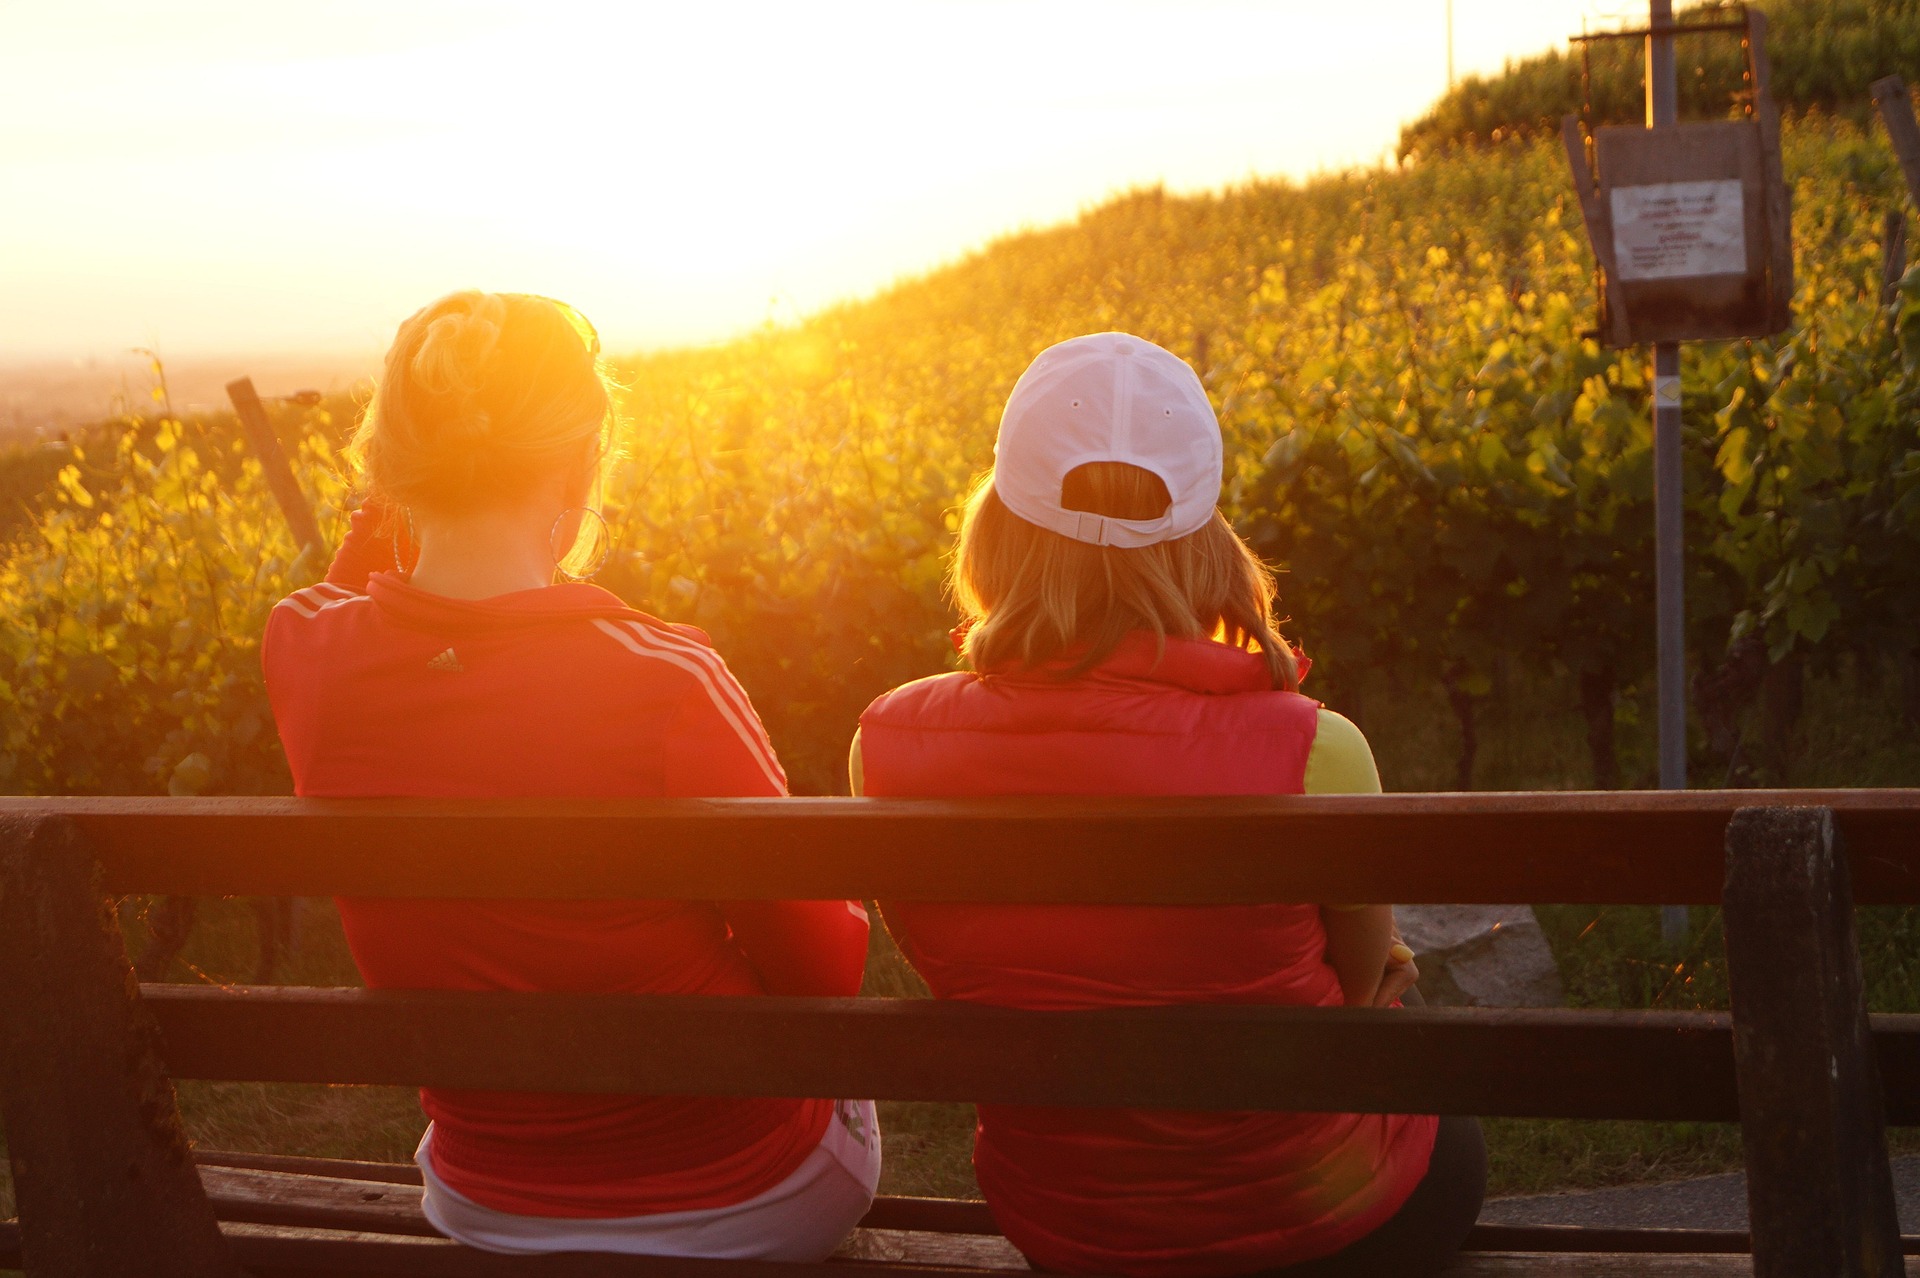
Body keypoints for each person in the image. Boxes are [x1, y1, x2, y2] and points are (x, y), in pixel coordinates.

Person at [851, 333, 1484, 1277]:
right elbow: (1356, 991)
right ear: (1203, 534)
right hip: (1326, 1218)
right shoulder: (1316, 746)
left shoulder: (887, 745)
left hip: (1067, 1221)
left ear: (996, 525)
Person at [262, 290, 878, 1261]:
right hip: (746, 1193)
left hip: (487, 1196)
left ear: (391, 467)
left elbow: (347, 593)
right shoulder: (662, 678)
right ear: (582, 463)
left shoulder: (305, 653)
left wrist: (399, 499)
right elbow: (825, 969)